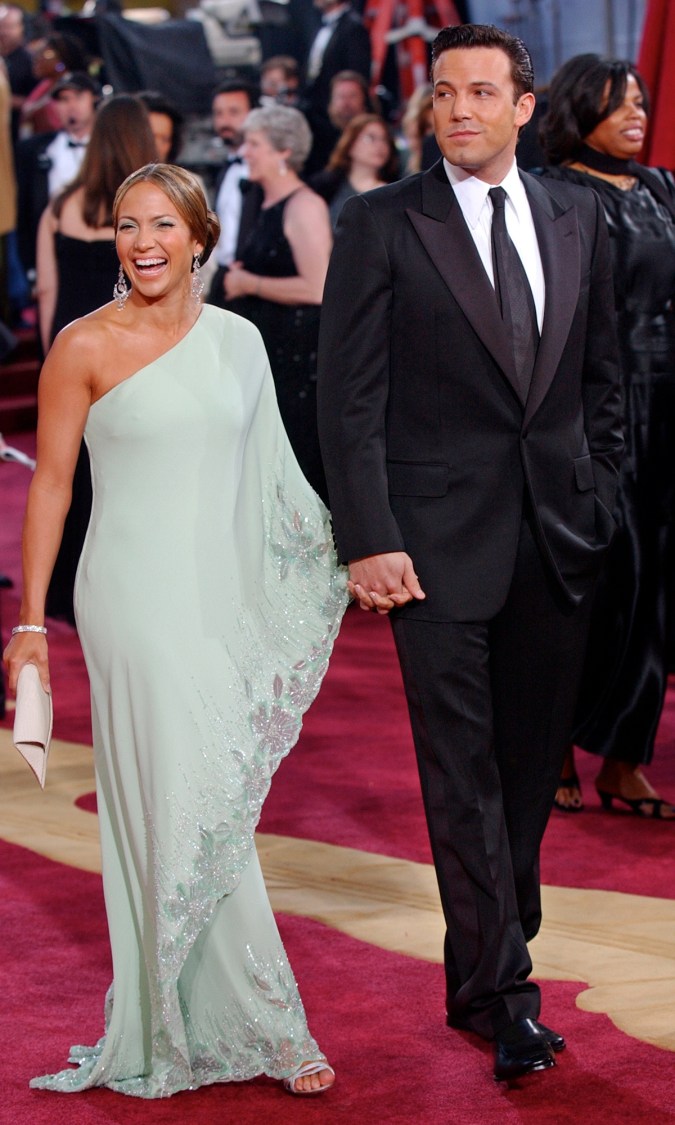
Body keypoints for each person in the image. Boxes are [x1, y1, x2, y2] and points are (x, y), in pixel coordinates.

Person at [317, 23, 623, 1082]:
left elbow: (602, 377)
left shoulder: (580, 212)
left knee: (531, 772)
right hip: (431, 552)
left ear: (524, 108)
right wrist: (370, 539)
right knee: (462, 779)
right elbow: (346, 396)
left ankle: (490, 948)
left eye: (482, 92)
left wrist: (605, 495)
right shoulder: (380, 222)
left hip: (560, 538)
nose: (458, 109)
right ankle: (505, 994)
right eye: (444, 92)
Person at [3, 161, 345, 1098]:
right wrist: (31, 620)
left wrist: (341, 556)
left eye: (161, 224)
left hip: (218, 599)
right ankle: (263, 1025)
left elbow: (273, 479)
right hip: (132, 599)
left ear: (200, 236)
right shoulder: (83, 343)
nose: (142, 242)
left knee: (214, 795)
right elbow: (53, 484)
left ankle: (199, 1013)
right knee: (187, 797)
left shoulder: (240, 340)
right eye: (125, 225)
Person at [540, 55, 675, 818]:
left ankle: (624, 760)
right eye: (617, 103)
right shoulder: (554, 193)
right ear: (576, 109)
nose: (635, 115)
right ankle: (553, 743)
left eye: (641, 103)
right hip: (589, 409)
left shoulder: (660, 187)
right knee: (592, 582)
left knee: (654, 582)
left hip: (665, 406)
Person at [36, 95, 157, 623]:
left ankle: (69, 589)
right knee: (129, 471)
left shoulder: (61, 204)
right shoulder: (145, 215)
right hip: (132, 349)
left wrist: (53, 358)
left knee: (67, 471)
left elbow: (47, 290)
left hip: (71, 349)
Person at [224, 104, 332, 502]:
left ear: (284, 152)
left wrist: (248, 281)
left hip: (298, 366)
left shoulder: (305, 206)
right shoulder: (264, 203)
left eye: (254, 144)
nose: (245, 152)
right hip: (273, 357)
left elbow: (319, 286)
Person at [15, 71, 99, 283]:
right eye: (63, 99)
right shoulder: (34, 151)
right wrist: (31, 268)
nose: (71, 106)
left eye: (78, 97)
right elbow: (24, 211)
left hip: (100, 252)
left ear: (94, 99)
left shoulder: (111, 150)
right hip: (54, 253)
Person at [207, 79, 258, 308]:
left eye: (233, 112)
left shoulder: (265, 174)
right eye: (218, 113)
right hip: (223, 279)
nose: (224, 121)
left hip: (253, 283)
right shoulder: (224, 171)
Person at [310, 112, 399, 228]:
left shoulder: (395, 191)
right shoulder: (325, 186)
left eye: (384, 139)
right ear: (351, 144)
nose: (380, 145)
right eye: (370, 138)